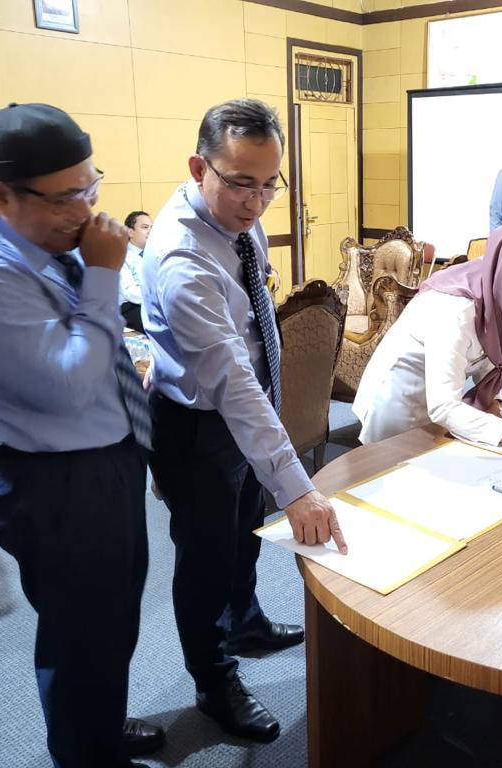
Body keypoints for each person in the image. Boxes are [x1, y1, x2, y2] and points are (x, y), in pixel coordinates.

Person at [0, 103, 162, 768]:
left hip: (105, 461)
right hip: (52, 484)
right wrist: (106, 272)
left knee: (112, 619)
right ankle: (87, 755)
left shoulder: (51, 244)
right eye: (64, 198)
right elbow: (70, 384)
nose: (84, 212)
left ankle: (99, 728)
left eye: (91, 187)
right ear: (1, 195)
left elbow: (88, 347)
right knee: (79, 634)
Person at [141, 98, 348, 744]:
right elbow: (230, 381)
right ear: (198, 167)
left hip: (242, 409)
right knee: (205, 556)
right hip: (196, 425)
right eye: (239, 183)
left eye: (268, 184)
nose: (256, 203)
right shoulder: (182, 260)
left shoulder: (237, 221)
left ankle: (246, 620)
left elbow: (253, 325)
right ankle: (213, 679)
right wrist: (299, 487)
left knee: (245, 529)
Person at [353, 221, 502, 450]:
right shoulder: (455, 311)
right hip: (399, 404)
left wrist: (494, 404)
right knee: (399, 465)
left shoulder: (501, 292)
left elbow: (492, 356)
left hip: (440, 404)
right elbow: (444, 406)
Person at [119, 210, 151, 332]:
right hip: (130, 307)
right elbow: (129, 292)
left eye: (152, 227)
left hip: (152, 304)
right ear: (130, 232)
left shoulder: (154, 255)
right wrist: (156, 298)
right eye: (145, 227)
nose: (150, 231)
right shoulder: (121, 255)